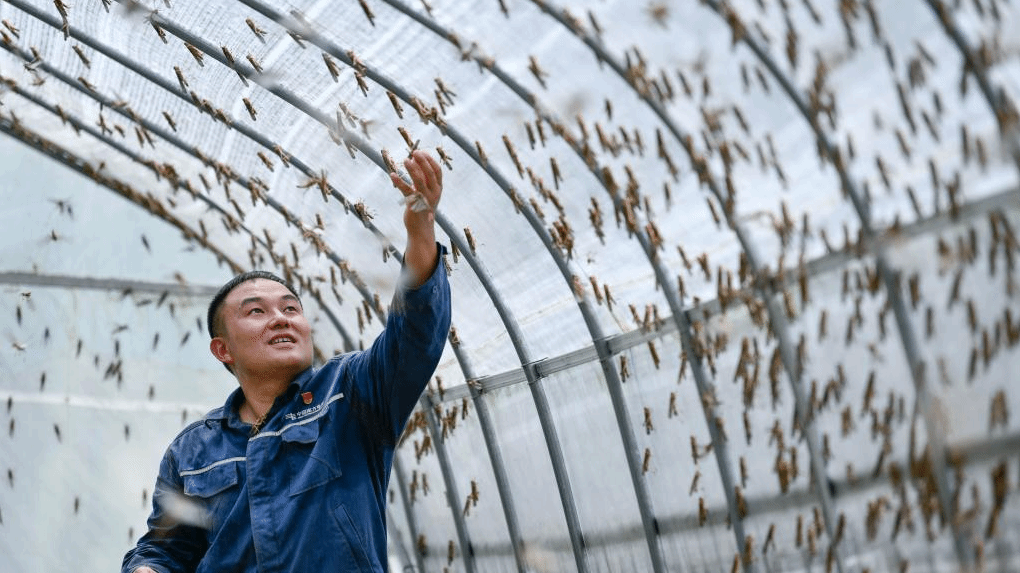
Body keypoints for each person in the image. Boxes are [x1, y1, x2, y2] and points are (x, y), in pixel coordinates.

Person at [122, 150, 451, 573]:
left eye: (291, 308)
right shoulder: (193, 451)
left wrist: (420, 230)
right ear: (223, 350)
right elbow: (167, 549)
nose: (281, 318)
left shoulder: (350, 392)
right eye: (256, 311)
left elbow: (416, 335)